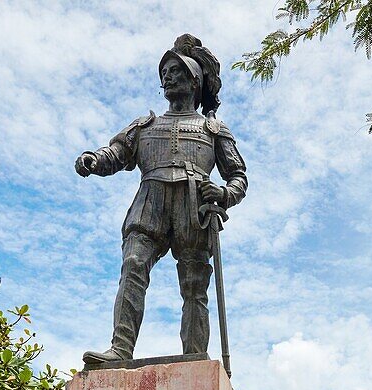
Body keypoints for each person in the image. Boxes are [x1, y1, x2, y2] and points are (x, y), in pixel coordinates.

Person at [75, 35, 247, 365]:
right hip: (149, 203)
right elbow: (117, 153)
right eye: (165, 72)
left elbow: (238, 175)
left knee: (195, 285)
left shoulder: (213, 130)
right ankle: (120, 349)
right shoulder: (146, 125)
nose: (167, 77)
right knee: (133, 265)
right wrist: (94, 160)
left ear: (194, 81)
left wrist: (224, 194)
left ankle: (195, 357)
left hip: (193, 208)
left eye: (175, 71)